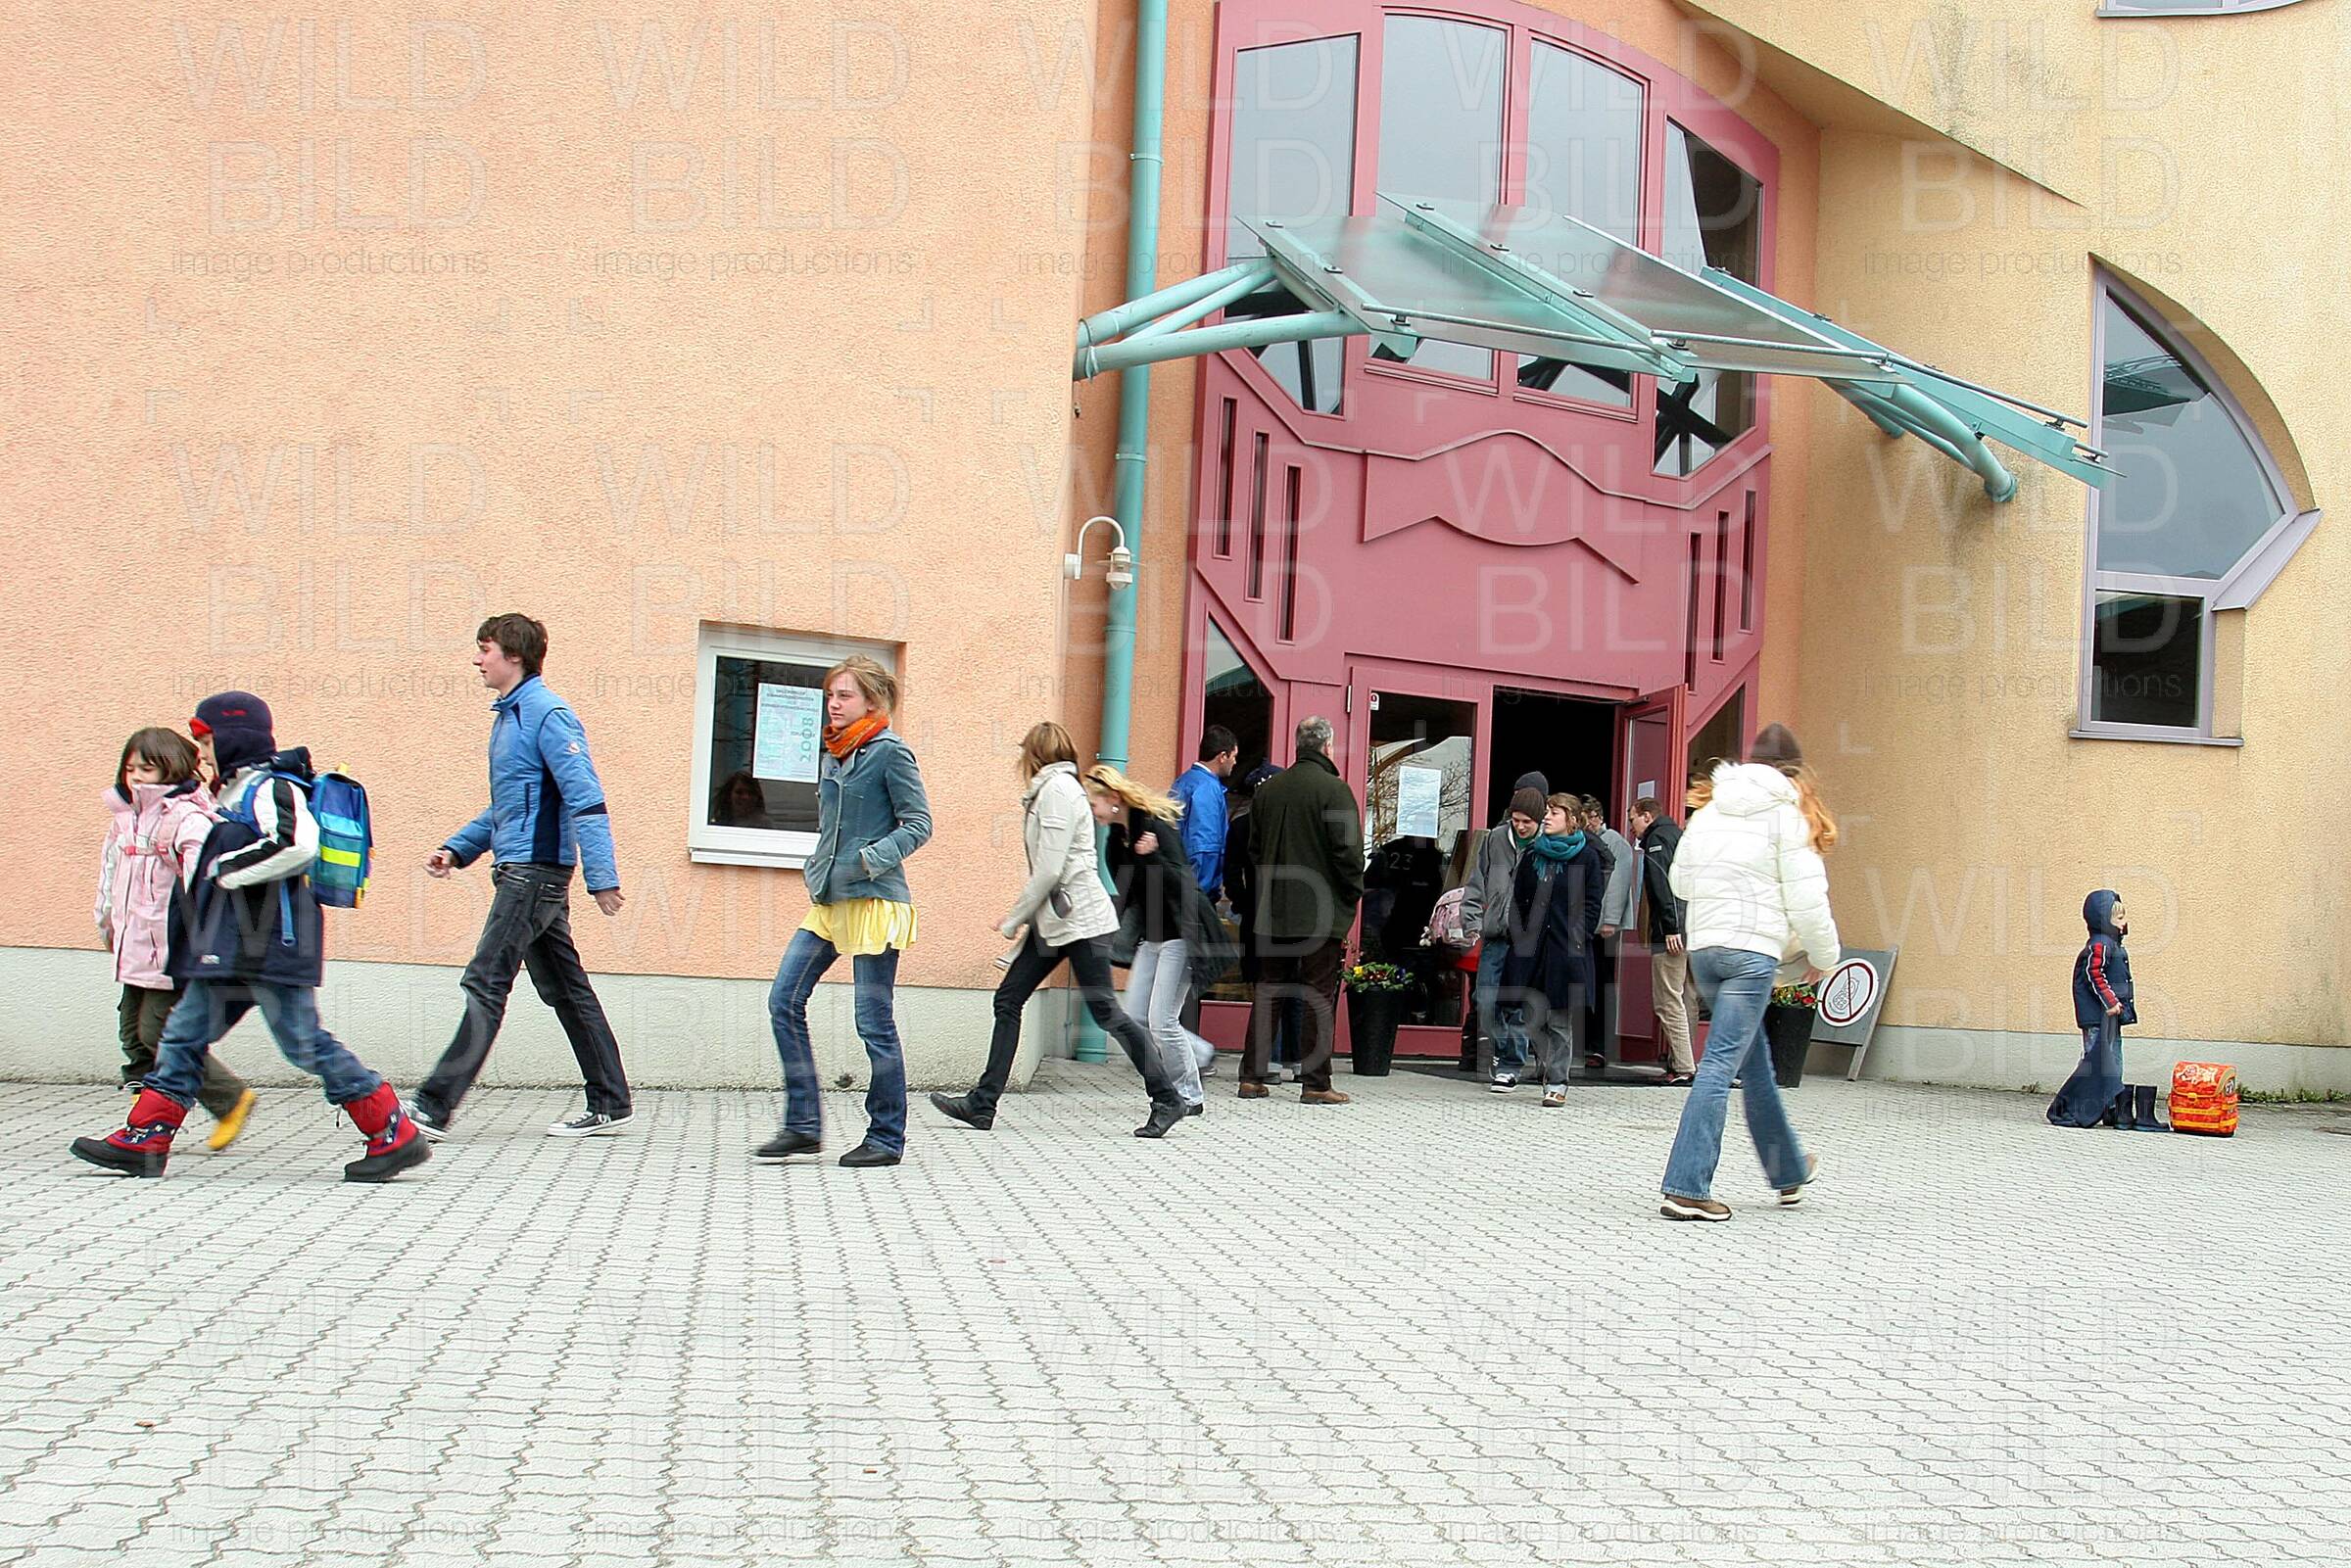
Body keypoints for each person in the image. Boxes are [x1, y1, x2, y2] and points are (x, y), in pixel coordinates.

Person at [71, 693, 428, 1183]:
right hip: (231, 946)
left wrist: (223, 870)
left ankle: (393, 1132)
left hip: (272, 945)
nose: (201, 753)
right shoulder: (233, 792)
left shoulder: (272, 786)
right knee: (182, 1035)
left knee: (302, 1042)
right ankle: (145, 1140)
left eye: (206, 741)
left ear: (233, 738)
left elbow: (298, 844)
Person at [409, 615, 635, 1142]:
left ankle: (432, 1108)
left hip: (534, 875)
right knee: (566, 989)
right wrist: (457, 849)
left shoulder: (547, 714)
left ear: (513, 655)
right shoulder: (511, 716)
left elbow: (586, 798)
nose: (477, 659)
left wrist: (602, 877)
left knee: (485, 980)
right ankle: (611, 1101)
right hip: (526, 870)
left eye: (484, 648)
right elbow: (510, 806)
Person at [932, 724, 1186, 1138]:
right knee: (1008, 999)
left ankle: (1168, 1098)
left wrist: (1013, 918)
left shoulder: (1057, 792)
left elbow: (1050, 869)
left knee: (1106, 1013)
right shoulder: (1054, 790)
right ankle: (982, 1104)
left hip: (1080, 921)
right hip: (1058, 920)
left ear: (1034, 755)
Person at [1658, 724, 1839, 1221]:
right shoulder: (1787, 816)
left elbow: (1681, 881)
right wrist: (1825, 955)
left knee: (1752, 1061)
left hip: (1706, 950)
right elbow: (1807, 898)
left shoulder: (1710, 810)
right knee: (1719, 1064)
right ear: (1792, 773)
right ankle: (1687, 1187)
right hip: (1750, 955)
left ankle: (1787, 1170)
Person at [759, 656, 933, 1167]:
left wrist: (868, 860)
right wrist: (819, 866)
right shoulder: (834, 754)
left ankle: (886, 1137)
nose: (833, 704)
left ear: (872, 702)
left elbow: (919, 823)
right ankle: (803, 1126)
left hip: (875, 899)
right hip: (831, 899)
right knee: (784, 999)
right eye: (830, 695)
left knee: (872, 1022)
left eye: (844, 695)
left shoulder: (890, 752)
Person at [96, 728, 257, 1151]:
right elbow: (110, 873)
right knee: (133, 1035)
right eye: (130, 768)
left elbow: (204, 881)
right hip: (134, 946)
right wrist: (106, 923)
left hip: (170, 949)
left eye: (146, 769)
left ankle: (229, 1098)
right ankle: (147, 1117)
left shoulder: (186, 818)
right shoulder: (126, 816)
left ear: (172, 768)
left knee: (158, 1033)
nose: (136, 777)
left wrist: (203, 942)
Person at [1086, 764, 1233, 1118]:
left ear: (1114, 798)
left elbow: (1183, 884)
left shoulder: (1155, 827)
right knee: (1136, 1015)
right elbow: (1128, 893)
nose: (1092, 810)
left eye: (1094, 803)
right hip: (1150, 938)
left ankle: (1189, 1095)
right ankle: (1199, 1054)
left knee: (1162, 1020)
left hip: (1181, 935)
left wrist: (1152, 857)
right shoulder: (1116, 840)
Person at [1239, 716, 1363, 1105]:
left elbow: (1254, 850)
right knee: (1317, 995)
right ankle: (1315, 1083)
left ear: (1298, 746)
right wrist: (1351, 894)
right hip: (1321, 913)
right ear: (1327, 746)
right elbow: (1348, 854)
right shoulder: (1335, 790)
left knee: (1269, 990)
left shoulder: (1269, 791)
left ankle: (1252, 1077)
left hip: (1273, 909)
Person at [1499, 794, 1605, 1108]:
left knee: (1559, 1018)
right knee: (1532, 1015)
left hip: (1565, 948)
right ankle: (1545, 1069)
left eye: (1553, 813)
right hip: (1531, 948)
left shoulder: (1586, 856)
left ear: (1571, 819)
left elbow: (1592, 902)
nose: (1546, 817)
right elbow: (1519, 899)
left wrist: (1579, 935)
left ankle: (1557, 1082)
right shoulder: (1533, 854)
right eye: (1546, 812)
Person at [1461, 780, 1545, 1091]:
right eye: (1516, 820)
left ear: (1538, 821)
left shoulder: (1545, 845)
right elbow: (1476, 880)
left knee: (1517, 1004)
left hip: (1527, 938)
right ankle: (1500, 1051)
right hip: (1495, 932)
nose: (1520, 827)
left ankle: (1510, 1065)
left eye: (1527, 822)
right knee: (1485, 1000)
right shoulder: (1495, 839)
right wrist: (1471, 920)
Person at [1224, 761, 1299, 1080]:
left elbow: (1231, 872)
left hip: (1259, 914)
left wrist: (1243, 902)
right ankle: (1292, 1059)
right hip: (1288, 914)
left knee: (1267, 985)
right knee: (1292, 985)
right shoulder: (1289, 825)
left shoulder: (1243, 825)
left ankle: (1272, 1059)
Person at [2049, 891, 2134, 1128]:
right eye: (2119, 918)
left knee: (2112, 1062)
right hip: (2098, 1017)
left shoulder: (2111, 944)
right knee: (2096, 1063)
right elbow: (2093, 974)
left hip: (2110, 1018)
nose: (2124, 922)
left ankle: (2111, 1109)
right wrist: (2111, 1002)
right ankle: (2075, 1106)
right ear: (2104, 921)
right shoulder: (2100, 945)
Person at [1629, 795, 1695, 1086]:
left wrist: (1670, 927)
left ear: (1647, 816)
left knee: (1668, 1000)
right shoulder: (1679, 836)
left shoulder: (1657, 840)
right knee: (1687, 997)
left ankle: (1684, 1066)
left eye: (1632, 819)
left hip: (1672, 933)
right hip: (1693, 928)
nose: (1631, 827)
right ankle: (1685, 1062)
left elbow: (1660, 885)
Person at [1582, 795, 1639, 1075]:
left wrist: (1610, 920)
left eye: (1586, 819)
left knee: (1603, 982)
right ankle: (1588, 1041)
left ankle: (1601, 1046)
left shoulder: (1615, 842)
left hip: (1603, 926)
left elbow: (1618, 882)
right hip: (1589, 923)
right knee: (1588, 981)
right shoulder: (1589, 841)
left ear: (1596, 817)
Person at [1170, 725, 1238, 904]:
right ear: (1222, 756)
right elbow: (1204, 847)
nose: (1235, 762)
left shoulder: (1184, 781)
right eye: (1234, 756)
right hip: (1195, 893)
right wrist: (1201, 894)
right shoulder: (1207, 788)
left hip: (1177, 882)